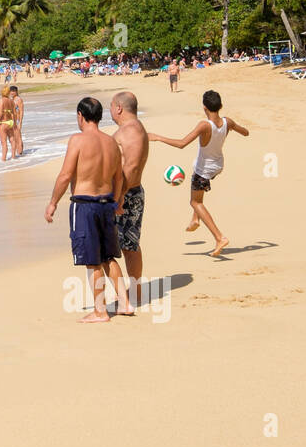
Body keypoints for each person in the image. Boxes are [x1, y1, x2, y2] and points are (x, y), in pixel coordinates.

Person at [44, 97, 132, 323]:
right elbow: (118, 177)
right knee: (109, 257)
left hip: (84, 205)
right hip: (106, 204)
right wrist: (118, 201)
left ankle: (100, 311)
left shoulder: (78, 140)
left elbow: (65, 175)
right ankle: (124, 302)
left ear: (80, 116)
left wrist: (53, 203)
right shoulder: (112, 143)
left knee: (92, 260)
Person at [149, 89, 249, 256]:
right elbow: (245, 132)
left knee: (195, 202)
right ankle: (195, 219)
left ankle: (219, 237)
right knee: (198, 192)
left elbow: (182, 144)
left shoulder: (204, 125)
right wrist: (239, 129)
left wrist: (158, 137)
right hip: (218, 166)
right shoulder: (227, 122)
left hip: (204, 170)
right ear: (221, 106)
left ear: (204, 108)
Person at [109, 91, 148, 306]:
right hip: (130, 192)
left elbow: (131, 168)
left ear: (119, 108)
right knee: (130, 245)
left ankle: (130, 294)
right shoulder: (136, 128)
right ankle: (134, 291)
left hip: (127, 194)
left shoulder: (129, 131)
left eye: (111, 107)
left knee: (126, 246)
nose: (110, 111)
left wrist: (120, 196)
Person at [0, 86, 17, 162]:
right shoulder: (11, 101)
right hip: (10, 122)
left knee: (4, 142)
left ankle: (3, 159)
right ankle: (13, 157)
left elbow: (0, 113)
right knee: (12, 140)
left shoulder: (1, 101)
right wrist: (14, 123)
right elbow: (14, 113)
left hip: (3, 122)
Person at [9, 85, 25, 156]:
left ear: (16, 92)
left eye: (13, 91)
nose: (12, 93)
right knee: (14, 137)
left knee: (18, 137)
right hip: (12, 121)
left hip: (17, 120)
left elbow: (21, 111)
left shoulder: (18, 99)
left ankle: (20, 152)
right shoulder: (12, 100)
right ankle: (18, 152)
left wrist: (20, 122)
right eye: (11, 91)